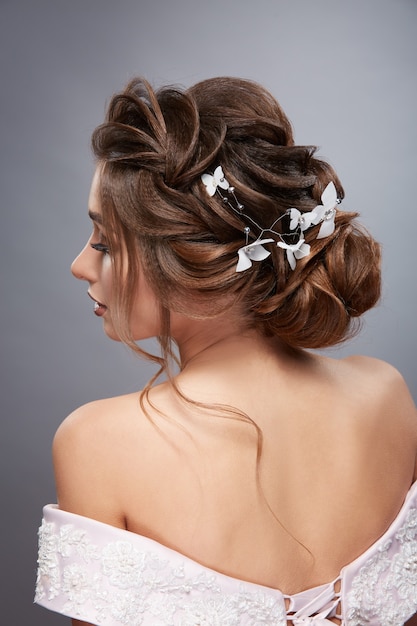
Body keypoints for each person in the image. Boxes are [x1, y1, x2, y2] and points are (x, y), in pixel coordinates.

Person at [35, 77, 417, 625]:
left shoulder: (97, 441)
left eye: (105, 244)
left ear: (195, 261)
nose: (81, 265)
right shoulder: (387, 392)